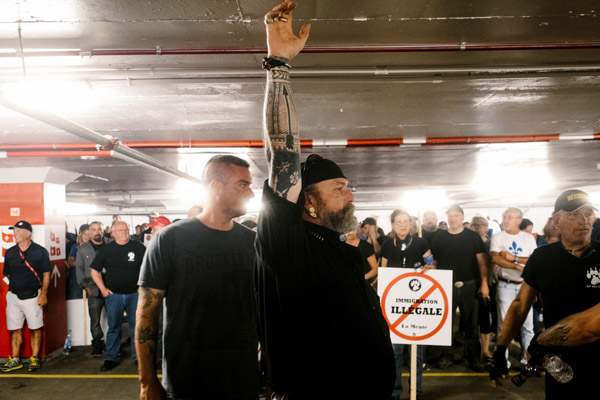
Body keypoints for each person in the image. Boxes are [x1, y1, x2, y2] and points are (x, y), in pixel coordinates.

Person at [255, 2, 395, 398]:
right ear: (308, 203)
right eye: (338, 188)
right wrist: (278, 64)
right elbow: (282, 153)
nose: (351, 194)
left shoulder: (338, 248)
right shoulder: (289, 248)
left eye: (348, 184)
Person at [136, 155, 259, 400]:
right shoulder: (169, 240)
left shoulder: (252, 242)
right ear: (215, 187)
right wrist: (147, 382)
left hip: (241, 379)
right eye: (242, 185)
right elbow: (146, 314)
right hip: (187, 381)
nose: (251, 193)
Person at [490, 189, 600, 399]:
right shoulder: (542, 258)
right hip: (558, 363)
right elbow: (521, 303)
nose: (583, 220)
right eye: (574, 215)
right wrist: (500, 349)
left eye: (587, 213)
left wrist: (541, 341)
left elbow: (588, 328)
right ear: (556, 221)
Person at [381, 209, 435, 400]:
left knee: (416, 352)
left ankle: (416, 391)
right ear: (393, 225)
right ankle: (395, 391)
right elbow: (384, 271)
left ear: (411, 224)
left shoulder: (421, 243)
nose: (403, 225)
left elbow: (432, 265)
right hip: (396, 305)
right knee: (394, 351)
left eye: (406, 221)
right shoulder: (387, 245)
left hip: (418, 303)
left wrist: (429, 268)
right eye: (398, 222)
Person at [430, 205, 489, 371]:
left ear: (462, 218)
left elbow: (482, 262)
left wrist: (484, 283)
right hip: (444, 286)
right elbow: (433, 261)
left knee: (471, 325)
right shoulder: (439, 237)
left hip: (469, 286)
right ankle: (446, 356)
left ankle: (473, 358)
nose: (452, 218)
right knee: (444, 324)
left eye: (456, 215)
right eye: (450, 215)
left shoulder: (473, 237)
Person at [91, 221, 146, 371]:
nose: (125, 232)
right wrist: (103, 289)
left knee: (137, 327)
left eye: (126, 230)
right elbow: (94, 271)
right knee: (114, 327)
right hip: (114, 296)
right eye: (121, 230)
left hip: (134, 295)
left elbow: (147, 267)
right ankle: (111, 358)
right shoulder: (106, 250)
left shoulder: (138, 247)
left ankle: (138, 357)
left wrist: (142, 286)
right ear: (113, 233)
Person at [490, 207, 538, 366]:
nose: (505, 219)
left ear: (518, 220)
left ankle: (528, 359)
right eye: (504, 216)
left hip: (525, 286)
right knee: (504, 324)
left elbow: (534, 261)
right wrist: (519, 266)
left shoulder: (528, 239)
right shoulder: (498, 237)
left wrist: (514, 257)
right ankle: (503, 360)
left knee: (527, 325)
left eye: (509, 217)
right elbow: (496, 259)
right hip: (506, 285)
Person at [1, 220, 50, 373]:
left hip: (33, 297)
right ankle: (15, 360)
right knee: (15, 329)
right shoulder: (10, 252)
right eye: (13, 231)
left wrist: (43, 294)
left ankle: (34, 359)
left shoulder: (40, 252)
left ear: (28, 233)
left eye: (17, 231)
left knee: (35, 328)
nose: (14, 234)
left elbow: (46, 274)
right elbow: (7, 273)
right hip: (13, 297)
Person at [76, 221, 109, 356]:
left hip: (111, 287)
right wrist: (86, 287)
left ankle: (114, 345)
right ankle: (97, 345)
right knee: (95, 320)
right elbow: (79, 269)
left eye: (99, 229)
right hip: (93, 289)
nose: (97, 232)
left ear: (102, 231)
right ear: (89, 232)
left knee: (114, 318)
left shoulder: (111, 244)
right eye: (94, 230)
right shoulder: (83, 249)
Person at [471, 215, 496, 362]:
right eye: (476, 225)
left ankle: (485, 350)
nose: (479, 228)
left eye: (482, 225)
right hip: (472, 283)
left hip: (490, 284)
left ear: (487, 227)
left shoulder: (492, 243)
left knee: (486, 317)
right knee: (473, 319)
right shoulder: (468, 242)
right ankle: (474, 349)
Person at [66, 224, 90, 300]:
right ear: (81, 235)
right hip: (76, 280)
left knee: (91, 303)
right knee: (76, 301)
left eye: (89, 235)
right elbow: (70, 263)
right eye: (85, 234)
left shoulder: (94, 247)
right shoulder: (75, 247)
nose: (87, 237)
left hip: (91, 281)